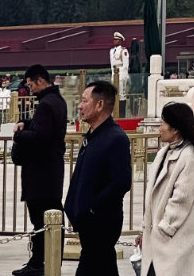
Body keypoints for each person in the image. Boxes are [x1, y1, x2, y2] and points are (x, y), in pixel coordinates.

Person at [64, 79, 132, 276]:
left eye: (85, 101)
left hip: (102, 221)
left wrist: (92, 207)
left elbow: (121, 182)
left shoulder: (115, 138)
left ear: (100, 104)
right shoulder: (92, 136)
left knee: (92, 266)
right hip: (88, 221)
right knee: (104, 268)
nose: (80, 106)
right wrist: (74, 206)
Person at [10, 64, 68, 276]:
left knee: (40, 220)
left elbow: (40, 137)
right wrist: (27, 123)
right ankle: (49, 261)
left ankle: (38, 264)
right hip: (51, 171)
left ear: (40, 81)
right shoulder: (57, 101)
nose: (29, 88)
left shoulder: (45, 105)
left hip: (40, 172)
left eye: (30, 84)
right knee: (51, 215)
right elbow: (44, 130)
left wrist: (17, 135)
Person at [139, 102, 194, 276]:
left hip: (172, 240)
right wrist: (145, 229)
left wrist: (164, 229)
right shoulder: (164, 152)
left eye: (162, 124)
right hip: (155, 239)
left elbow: (181, 200)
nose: (159, 128)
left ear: (175, 129)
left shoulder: (189, 157)